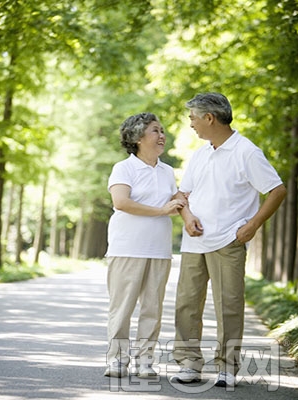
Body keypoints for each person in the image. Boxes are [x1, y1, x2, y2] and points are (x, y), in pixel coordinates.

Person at [170, 92, 287, 387]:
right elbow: (182, 195)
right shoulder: (201, 153)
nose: (191, 124)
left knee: (229, 305)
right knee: (186, 303)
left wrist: (252, 226)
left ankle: (226, 366)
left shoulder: (246, 151)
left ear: (209, 118)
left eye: (193, 118)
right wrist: (187, 218)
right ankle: (189, 364)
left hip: (228, 240)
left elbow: (277, 190)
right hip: (195, 241)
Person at [104, 112, 186, 379]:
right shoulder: (123, 168)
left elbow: (176, 203)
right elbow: (122, 202)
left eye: (162, 131)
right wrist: (162, 211)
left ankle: (145, 361)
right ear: (138, 138)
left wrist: (181, 210)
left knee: (152, 309)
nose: (162, 136)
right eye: (155, 131)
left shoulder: (166, 171)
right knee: (123, 307)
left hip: (159, 250)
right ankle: (117, 360)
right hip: (127, 248)